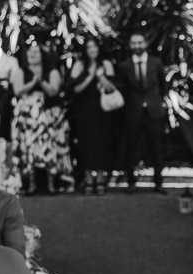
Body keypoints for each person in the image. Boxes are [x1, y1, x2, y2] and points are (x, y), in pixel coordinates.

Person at [12, 44, 72, 195]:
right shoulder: (21, 71)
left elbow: (54, 91)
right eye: (30, 52)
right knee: (28, 147)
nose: (32, 55)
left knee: (49, 146)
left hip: (48, 116)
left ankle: (51, 183)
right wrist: (32, 84)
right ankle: (30, 183)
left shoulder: (51, 71)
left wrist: (41, 82)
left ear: (42, 54)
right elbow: (18, 91)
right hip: (27, 117)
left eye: (36, 52)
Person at [116, 32, 167, 194]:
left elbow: (163, 86)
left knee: (156, 148)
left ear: (145, 43)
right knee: (132, 148)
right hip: (133, 112)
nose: (137, 46)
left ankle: (158, 182)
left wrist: (158, 103)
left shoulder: (156, 63)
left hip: (154, 111)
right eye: (134, 43)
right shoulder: (124, 66)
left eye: (140, 43)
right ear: (130, 46)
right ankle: (131, 182)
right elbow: (122, 89)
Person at [68, 38, 117, 195]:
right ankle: (88, 178)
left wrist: (101, 77)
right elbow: (74, 90)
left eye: (94, 46)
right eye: (88, 47)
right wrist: (90, 76)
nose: (91, 50)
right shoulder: (79, 65)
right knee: (86, 142)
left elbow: (112, 88)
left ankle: (101, 178)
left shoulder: (107, 64)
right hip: (85, 109)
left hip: (103, 108)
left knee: (103, 142)